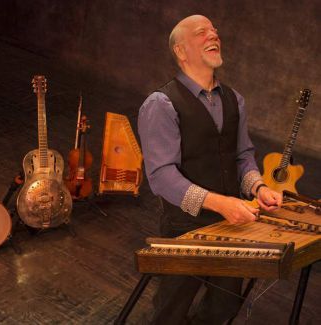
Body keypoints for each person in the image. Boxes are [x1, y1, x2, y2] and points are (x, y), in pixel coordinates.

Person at [138, 14, 282, 325]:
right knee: (170, 312)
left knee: (223, 308)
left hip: (232, 227)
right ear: (180, 50)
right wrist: (221, 203)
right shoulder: (161, 104)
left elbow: (242, 156)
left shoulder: (234, 100)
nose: (213, 35)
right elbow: (161, 176)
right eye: (202, 32)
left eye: (215, 31)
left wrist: (258, 188)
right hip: (183, 228)